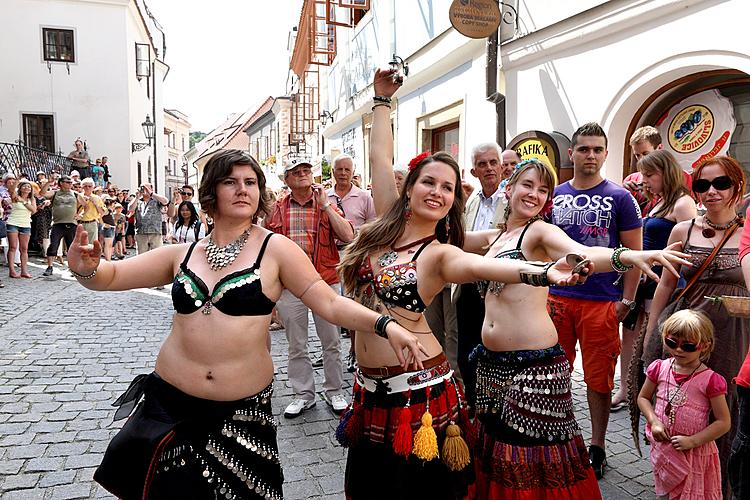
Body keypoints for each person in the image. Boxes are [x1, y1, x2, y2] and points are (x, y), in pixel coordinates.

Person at [337, 68, 690, 499]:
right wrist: (381, 101)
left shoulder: (524, 235)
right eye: (527, 185)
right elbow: (379, 161)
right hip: (476, 364)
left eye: (544, 190)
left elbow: (561, 254)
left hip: (513, 367)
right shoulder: (478, 236)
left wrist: (622, 256)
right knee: (493, 456)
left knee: (530, 461)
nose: (535, 195)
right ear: (508, 188)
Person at [67, 148, 425, 499]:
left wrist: (386, 326)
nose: (242, 189)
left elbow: (330, 302)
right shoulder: (185, 252)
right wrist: (86, 269)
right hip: (168, 407)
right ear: (212, 192)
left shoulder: (277, 249)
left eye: (251, 182)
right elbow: (110, 277)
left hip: (239, 418)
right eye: (230, 181)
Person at [642, 155, 748, 496]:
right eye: (703, 185)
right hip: (687, 332)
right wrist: (651, 332)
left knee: (724, 406)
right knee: (685, 405)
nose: (712, 192)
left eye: (721, 184)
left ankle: (720, 488)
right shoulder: (682, 229)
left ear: (737, 186)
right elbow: (665, 285)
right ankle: (680, 484)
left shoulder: (748, 233)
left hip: (733, 334)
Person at [547, 122, 643, 478]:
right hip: (557, 298)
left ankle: (598, 445)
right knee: (551, 375)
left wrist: (627, 301)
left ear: (605, 153)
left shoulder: (620, 197)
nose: (590, 155)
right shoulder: (553, 195)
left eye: (597, 149)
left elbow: (635, 253)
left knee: (599, 380)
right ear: (571, 153)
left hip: (601, 301)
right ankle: (556, 438)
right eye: (583, 149)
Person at [265, 158, 353, 417]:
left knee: (332, 340)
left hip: (325, 280)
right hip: (290, 284)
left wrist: (326, 206)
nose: (303, 175)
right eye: (296, 172)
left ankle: (335, 391)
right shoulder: (277, 208)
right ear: (286, 179)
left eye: (306, 170)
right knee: (297, 344)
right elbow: (265, 246)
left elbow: (348, 236)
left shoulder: (327, 204)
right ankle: (303, 394)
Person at [612, 150, 697, 411]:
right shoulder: (658, 201)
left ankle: (652, 394)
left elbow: (690, 248)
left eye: (650, 174)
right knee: (630, 335)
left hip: (663, 281)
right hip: (642, 278)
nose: (644, 180)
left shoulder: (683, 203)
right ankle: (627, 388)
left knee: (654, 338)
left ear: (666, 173)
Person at [638, 309, 730, 499]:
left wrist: (693, 441)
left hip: (695, 452)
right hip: (665, 448)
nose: (678, 350)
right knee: (665, 492)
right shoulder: (659, 368)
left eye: (688, 346)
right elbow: (643, 398)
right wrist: (654, 421)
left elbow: (723, 422)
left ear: (704, 346)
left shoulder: (711, 380)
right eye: (672, 343)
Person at [455, 141, 506, 400]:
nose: (488, 168)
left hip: (500, 289)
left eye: (493, 162)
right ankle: (473, 403)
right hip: (469, 285)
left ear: (501, 166)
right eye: (482, 164)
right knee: (466, 349)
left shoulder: (512, 200)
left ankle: (494, 403)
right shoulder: (472, 200)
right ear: (474, 171)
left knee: (495, 350)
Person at [326, 153, 377, 372]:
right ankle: (331, 350)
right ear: (333, 172)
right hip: (329, 255)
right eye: (340, 169)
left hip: (354, 255)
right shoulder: (324, 196)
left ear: (353, 172)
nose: (344, 173)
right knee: (329, 302)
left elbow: (374, 225)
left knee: (353, 303)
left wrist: (356, 237)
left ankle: (354, 351)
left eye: (348, 170)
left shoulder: (364, 197)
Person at [41, 175, 84, 276]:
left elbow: (86, 206)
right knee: (53, 245)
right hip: (57, 224)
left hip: (71, 224)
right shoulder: (55, 193)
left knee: (72, 248)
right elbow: (42, 193)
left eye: (71, 182)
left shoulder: (75, 194)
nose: (70, 184)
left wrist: (80, 215)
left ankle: (73, 268)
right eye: (68, 182)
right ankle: (50, 267)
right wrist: (48, 182)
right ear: (61, 183)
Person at [6, 179, 37, 278]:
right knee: (13, 247)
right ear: (20, 188)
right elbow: (11, 190)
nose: (27, 188)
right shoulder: (15, 197)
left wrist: (23, 202)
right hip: (13, 223)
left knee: (24, 249)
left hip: (26, 224)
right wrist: (17, 181)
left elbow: (33, 210)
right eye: (24, 186)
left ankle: (24, 271)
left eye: (28, 186)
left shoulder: (32, 199)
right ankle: (12, 270)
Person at [128, 182, 169, 254]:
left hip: (155, 231)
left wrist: (152, 194)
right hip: (141, 232)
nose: (144, 190)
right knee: (141, 256)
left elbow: (166, 201)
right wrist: (136, 197)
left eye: (146, 188)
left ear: (151, 189)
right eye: (142, 188)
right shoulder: (138, 201)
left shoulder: (156, 200)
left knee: (157, 255)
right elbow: (130, 209)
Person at [76, 178, 105, 244]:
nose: (87, 188)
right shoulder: (78, 196)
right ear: (82, 187)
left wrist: (96, 204)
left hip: (92, 223)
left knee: (92, 245)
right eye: (85, 186)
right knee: (79, 244)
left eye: (89, 186)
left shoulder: (97, 198)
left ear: (93, 187)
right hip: (80, 223)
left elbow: (102, 212)